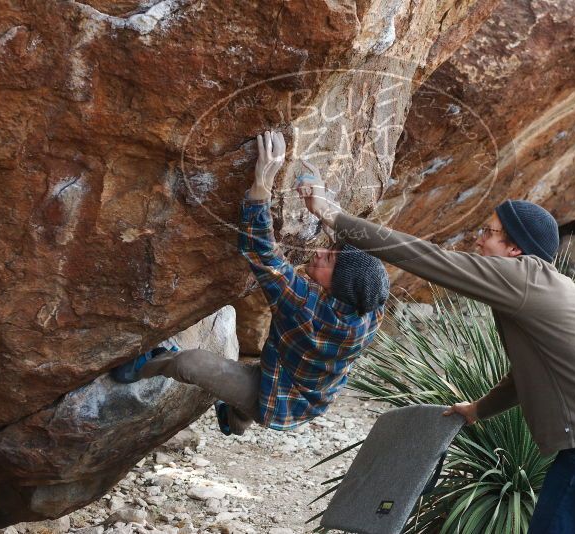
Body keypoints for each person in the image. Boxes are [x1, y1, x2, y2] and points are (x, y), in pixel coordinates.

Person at [298, 171, 575, 533]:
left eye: (489, 232)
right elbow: (530, 375)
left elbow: (424, 258)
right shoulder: (539, 289)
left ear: (515, 249)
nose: (479, 239)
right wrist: (479, 409)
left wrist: (335, 217)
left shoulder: (520, 278)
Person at [112, 130, 389, 437]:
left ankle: (142, 367)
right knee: (243, 398)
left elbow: (261, 251)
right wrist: (323, 208)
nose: (321, 252)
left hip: (278, 400)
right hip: (304, 385)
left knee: (190, 364)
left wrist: (262, 183)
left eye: (329, 260)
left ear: (336, 287)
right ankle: (236, 419)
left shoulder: (306, 308)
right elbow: (357, 255)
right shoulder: (370, 305)